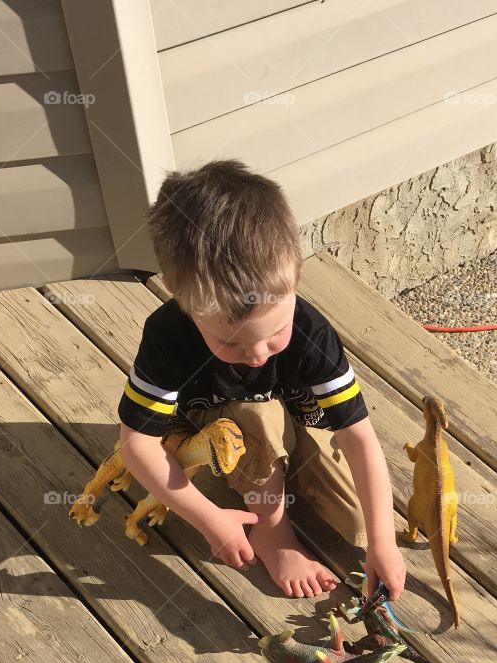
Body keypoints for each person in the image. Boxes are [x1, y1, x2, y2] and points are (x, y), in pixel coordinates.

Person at [117, 158, 406, 603]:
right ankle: (273, 534)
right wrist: (209, 517)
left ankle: (282, 485)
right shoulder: (168, 335)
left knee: (359, 524)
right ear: (178, 294)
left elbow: (358, 436)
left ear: (295, 277)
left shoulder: (311, 330)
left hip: (290, 415)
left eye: (274, 335)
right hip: (215, 427)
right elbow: (137, 444)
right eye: (230, 344)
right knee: (259, 413)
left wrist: (383, 544)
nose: (255, 355)